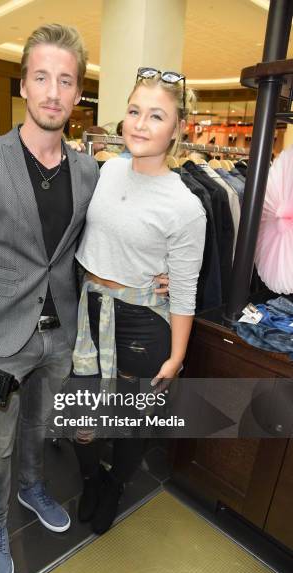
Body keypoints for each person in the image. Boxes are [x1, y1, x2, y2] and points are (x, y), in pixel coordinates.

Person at [0, 24, 100, 573]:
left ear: (77, 93)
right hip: (2, 335)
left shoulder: (88, 171)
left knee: (40, 424)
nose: (53, 92)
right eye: (41, 78)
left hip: (60, 333)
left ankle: (33, 489)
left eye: (65, 80)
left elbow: (86, 252)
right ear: (26, 87)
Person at [73, 68, 206, 535]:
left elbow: (186, 288)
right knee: (82, 417)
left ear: (176, 130)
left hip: (142, 323)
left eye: (156, 116)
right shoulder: (105, 170)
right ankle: (91, 477)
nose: (140, 124)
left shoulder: (186, 205)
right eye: (134, 111)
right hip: (88, 312)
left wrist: (176, 357)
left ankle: (114, 483)